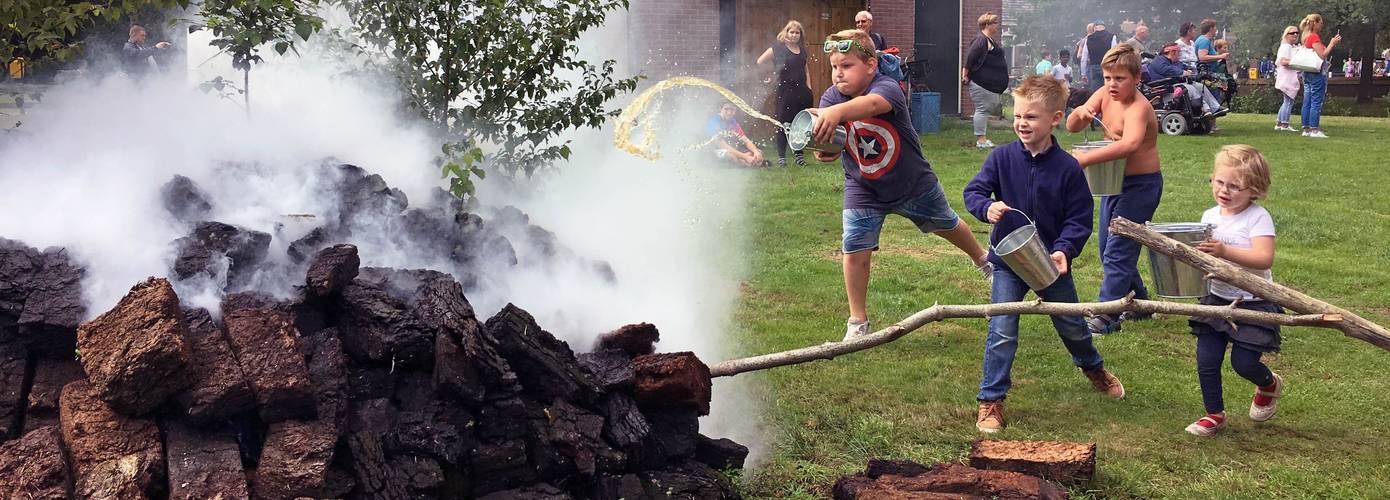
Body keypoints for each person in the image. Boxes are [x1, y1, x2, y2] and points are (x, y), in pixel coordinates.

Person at [964, 75, 1125, 433]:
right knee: (1002, 328)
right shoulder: (1002, 157)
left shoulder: (1068, 167)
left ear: (1055, 118)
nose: (1022, 123)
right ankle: (991, 401)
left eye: (1031, 117)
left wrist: (1065, 250)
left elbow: (1079, 218)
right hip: (1007, 262)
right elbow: (974, 191)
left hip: (1050, 263)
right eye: (1018, 116)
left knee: (1072, 326)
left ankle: (1092, 367)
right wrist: (984, 208)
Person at [809, 29, 992, 341]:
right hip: (863, 185)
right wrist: (825, 146)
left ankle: (983, 260)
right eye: (834, 67)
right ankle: (858, 322)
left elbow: (870, 107)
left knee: (947, 223)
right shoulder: (831, 98)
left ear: (870, 65)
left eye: (847, 66)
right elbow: (835, 137)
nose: (838, 74)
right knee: (854, 247)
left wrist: (835, 112)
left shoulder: (888, 87)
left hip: (911, 182)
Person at [1184, 145, 1284, 437]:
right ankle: (1214, 414)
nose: (1224, 191)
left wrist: (1225, 251)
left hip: (1254, 301)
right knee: (1207, 358)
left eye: (1235, 186)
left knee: (1243, 362)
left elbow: (1264, 258)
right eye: (1219, 182)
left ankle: (1268, 384)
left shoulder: (1257, 217)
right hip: (1216, 297)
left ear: (1255, 190)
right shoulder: (1208, 215)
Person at [1066, 44, 1163, 335]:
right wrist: (1082, 112)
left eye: (1119, 79)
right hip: (1112, 182)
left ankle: (1107, 315)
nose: (1112, 84)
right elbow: (1071, 127)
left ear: (1136, 78)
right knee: (1107, 247)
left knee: (1118, 249)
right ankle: (1140, 303)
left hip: (1141, 186)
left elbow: (1129, 144)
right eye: (1108, 78)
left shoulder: (1139, 107)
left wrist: (1082, 160)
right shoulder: (1103, 95)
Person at [758, 20, 814, 167]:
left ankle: (799, 155)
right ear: (786, 32)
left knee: (800, 124)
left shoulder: (802, 50)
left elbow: (806, 70)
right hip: (785, 91)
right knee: (783, 124)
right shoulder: (778, 48)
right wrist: (769, 75)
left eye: (797, 32)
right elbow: (760, 61)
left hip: (801, 91)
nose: (794, 35)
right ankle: (782, 157)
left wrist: (809, 88)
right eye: (792, 32)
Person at [962, 12, 1009, 149]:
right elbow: (970, 58)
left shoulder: (989, 39)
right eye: (995, 23)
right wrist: (965, 74)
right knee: (982, 110)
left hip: (989, 85)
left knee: (985, 109)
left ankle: (982, 139)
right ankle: (981, 141)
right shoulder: (981, 40)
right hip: (980, 83)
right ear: (987, 24)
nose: (997, 26)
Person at [1148, 42, 1224, 117]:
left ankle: (1215, 108)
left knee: (1200, 86)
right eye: (1179, 52)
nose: (1179, 54)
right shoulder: (1159, 60)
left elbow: (1186, 67)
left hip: (1175, 84)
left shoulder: (1174, 62)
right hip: (1164, 87)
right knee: (1189, 88)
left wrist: (1190, 70)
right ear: (1173, 52)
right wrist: (1183, 72)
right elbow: (1166, 70)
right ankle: (1205, 110)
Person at [1299, 13, 1341, 139]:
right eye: (1321, 23)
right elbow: (1322, 54)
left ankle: (1306, 128)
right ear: (1315, 23)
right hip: (1316, 73)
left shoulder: (1305, 37)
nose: (1322, 25)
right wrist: (1332, 43)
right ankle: (1314, 129)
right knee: (1316, 101)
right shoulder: (1313, 37)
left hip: (1306, 72)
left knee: (1307, 101)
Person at [706, 102, 768, 168]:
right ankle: (748, 163)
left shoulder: (733, 122)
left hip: (733, 149)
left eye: (732, 109)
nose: (729, 112)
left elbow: (746, 140)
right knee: (731, 157)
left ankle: (746, 162)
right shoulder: (714, 122)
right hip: (717, 149)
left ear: (735, 111)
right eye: (726, 109)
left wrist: (756, 152)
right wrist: (746, 157)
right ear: (720, 109)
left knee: (758, 152)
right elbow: (722, 145)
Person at [1274, 26, 1303, 132]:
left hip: (1287, 76)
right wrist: (1297, 62)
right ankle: (1285, 124)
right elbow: (1283, 61)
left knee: (1286, 100)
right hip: (1287, 77)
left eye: (1296, 33)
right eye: (1292, 33)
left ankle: (1280, 122)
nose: (1295, 35)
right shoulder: (1286, 47)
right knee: (1288, 101)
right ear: (1286, 35)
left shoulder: (1289, 47)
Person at [1084, 20, 1118, 92]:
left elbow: (1084, 58)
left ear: (1094, 28)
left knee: (1095, 92)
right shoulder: (1112, 37)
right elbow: (1114, 54)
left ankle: (1097, 102)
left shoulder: (1088, 39)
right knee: (1108, 90)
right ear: (1104, 27)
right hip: (1108, 66)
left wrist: (1083, 74)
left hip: (1094, 67)